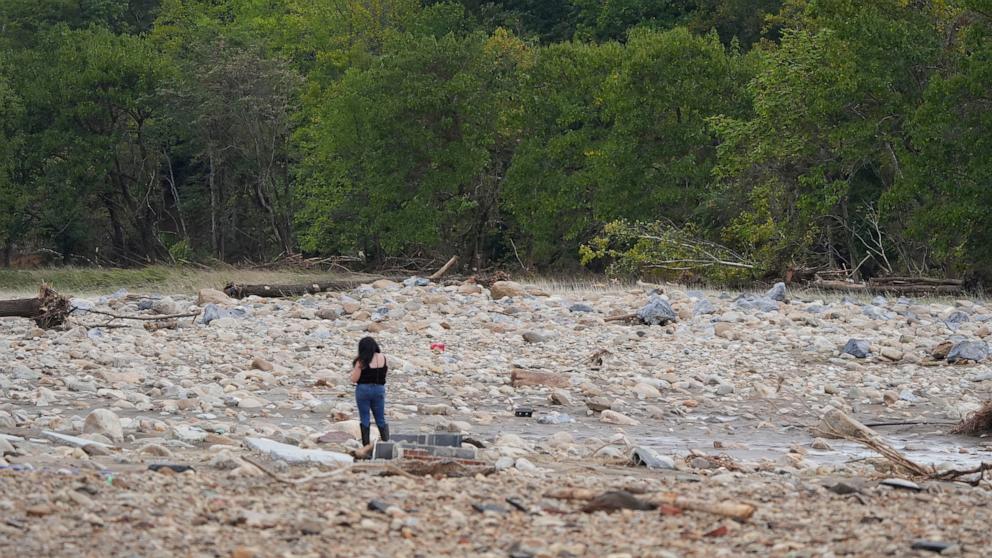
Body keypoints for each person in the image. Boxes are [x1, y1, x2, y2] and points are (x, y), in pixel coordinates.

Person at [350, 336, 389, 446]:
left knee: (365, 417)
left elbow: (354, 379)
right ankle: (387, 442)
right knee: (380, 418)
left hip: (364, 390)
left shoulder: (361, 360)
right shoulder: (383, 357)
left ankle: (366, 446)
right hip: (379, 389)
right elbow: (384, 373)